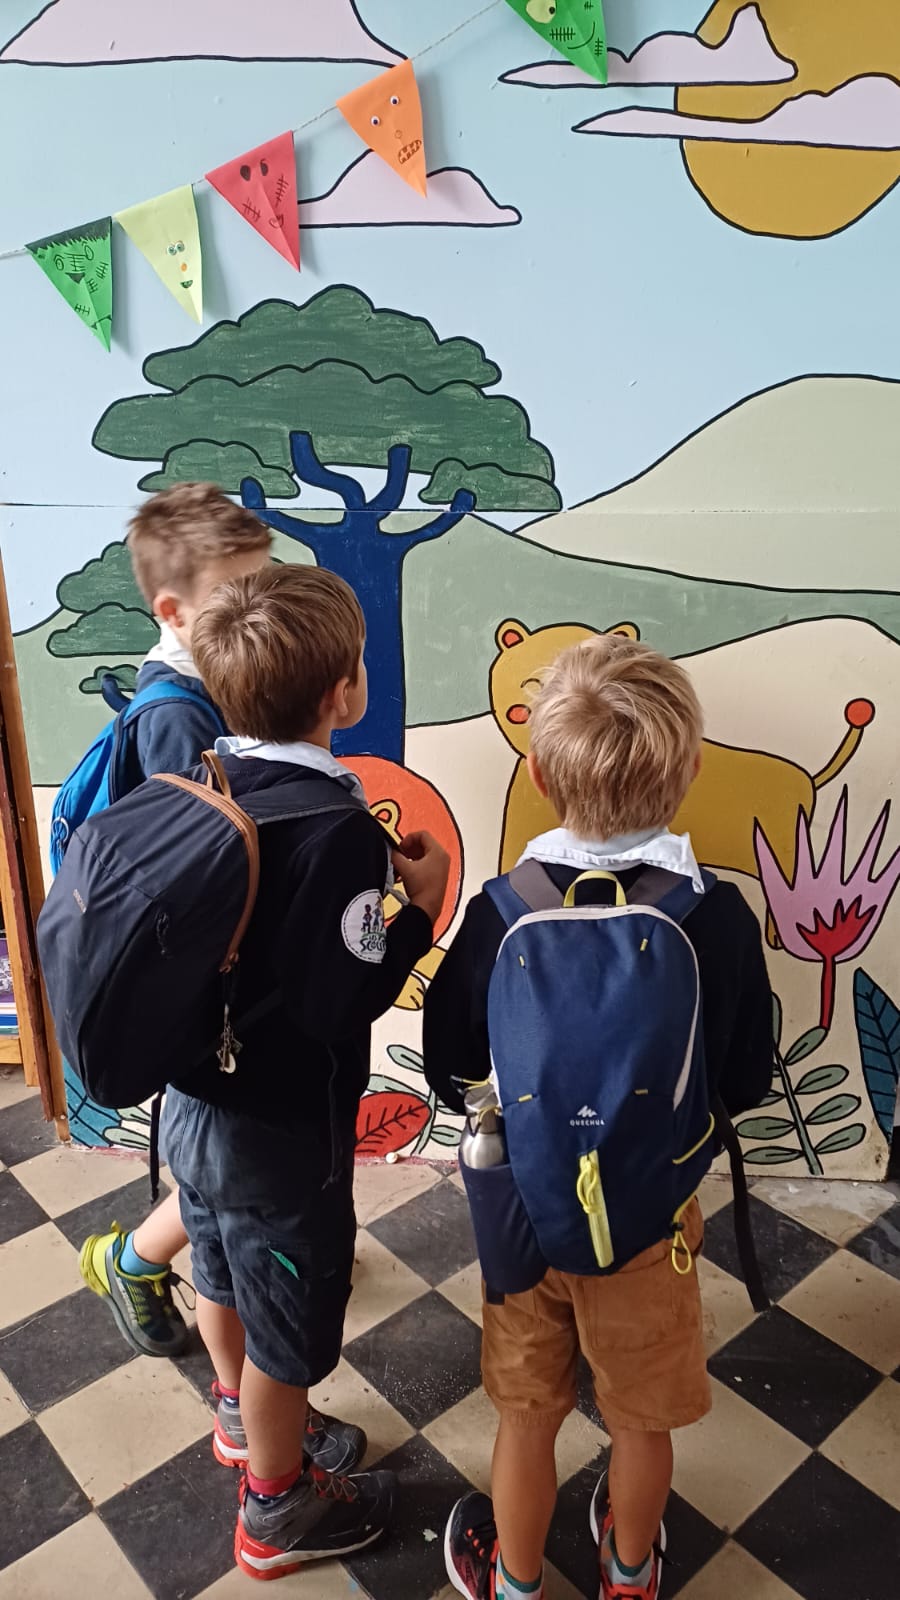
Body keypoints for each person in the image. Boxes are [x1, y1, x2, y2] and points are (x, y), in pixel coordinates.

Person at [423, 633, 773, 1600]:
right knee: (639, 1421)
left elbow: (451, 1062)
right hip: (652, 1220)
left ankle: (515, 1579)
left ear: (538, 776)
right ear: (690, 772)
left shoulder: (501, 910)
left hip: (524, 1216)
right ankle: (629, 1571)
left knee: (527, 1413)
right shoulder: (714, 917)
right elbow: (746, 1077)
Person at [158, 564, 450, 1577]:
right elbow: (340, 999)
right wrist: (421, 909)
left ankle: (240, 1419)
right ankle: (275, 1507)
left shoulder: (203, 778)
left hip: (191, 1109)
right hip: (282, 1135)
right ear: (345, 691)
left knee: (218, 1269)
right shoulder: (335, 829)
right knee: (287, 1333)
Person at [79, 483, 271, 1361]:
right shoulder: (175, 717)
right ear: (173, 611)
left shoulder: (219, 684)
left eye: (265, 583)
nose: (258, 606)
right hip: (198, 981)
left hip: (225, 967)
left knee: (231, 1155)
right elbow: (194, 870)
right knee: (217, 1160)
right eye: (239, 592)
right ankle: (134, 1258)